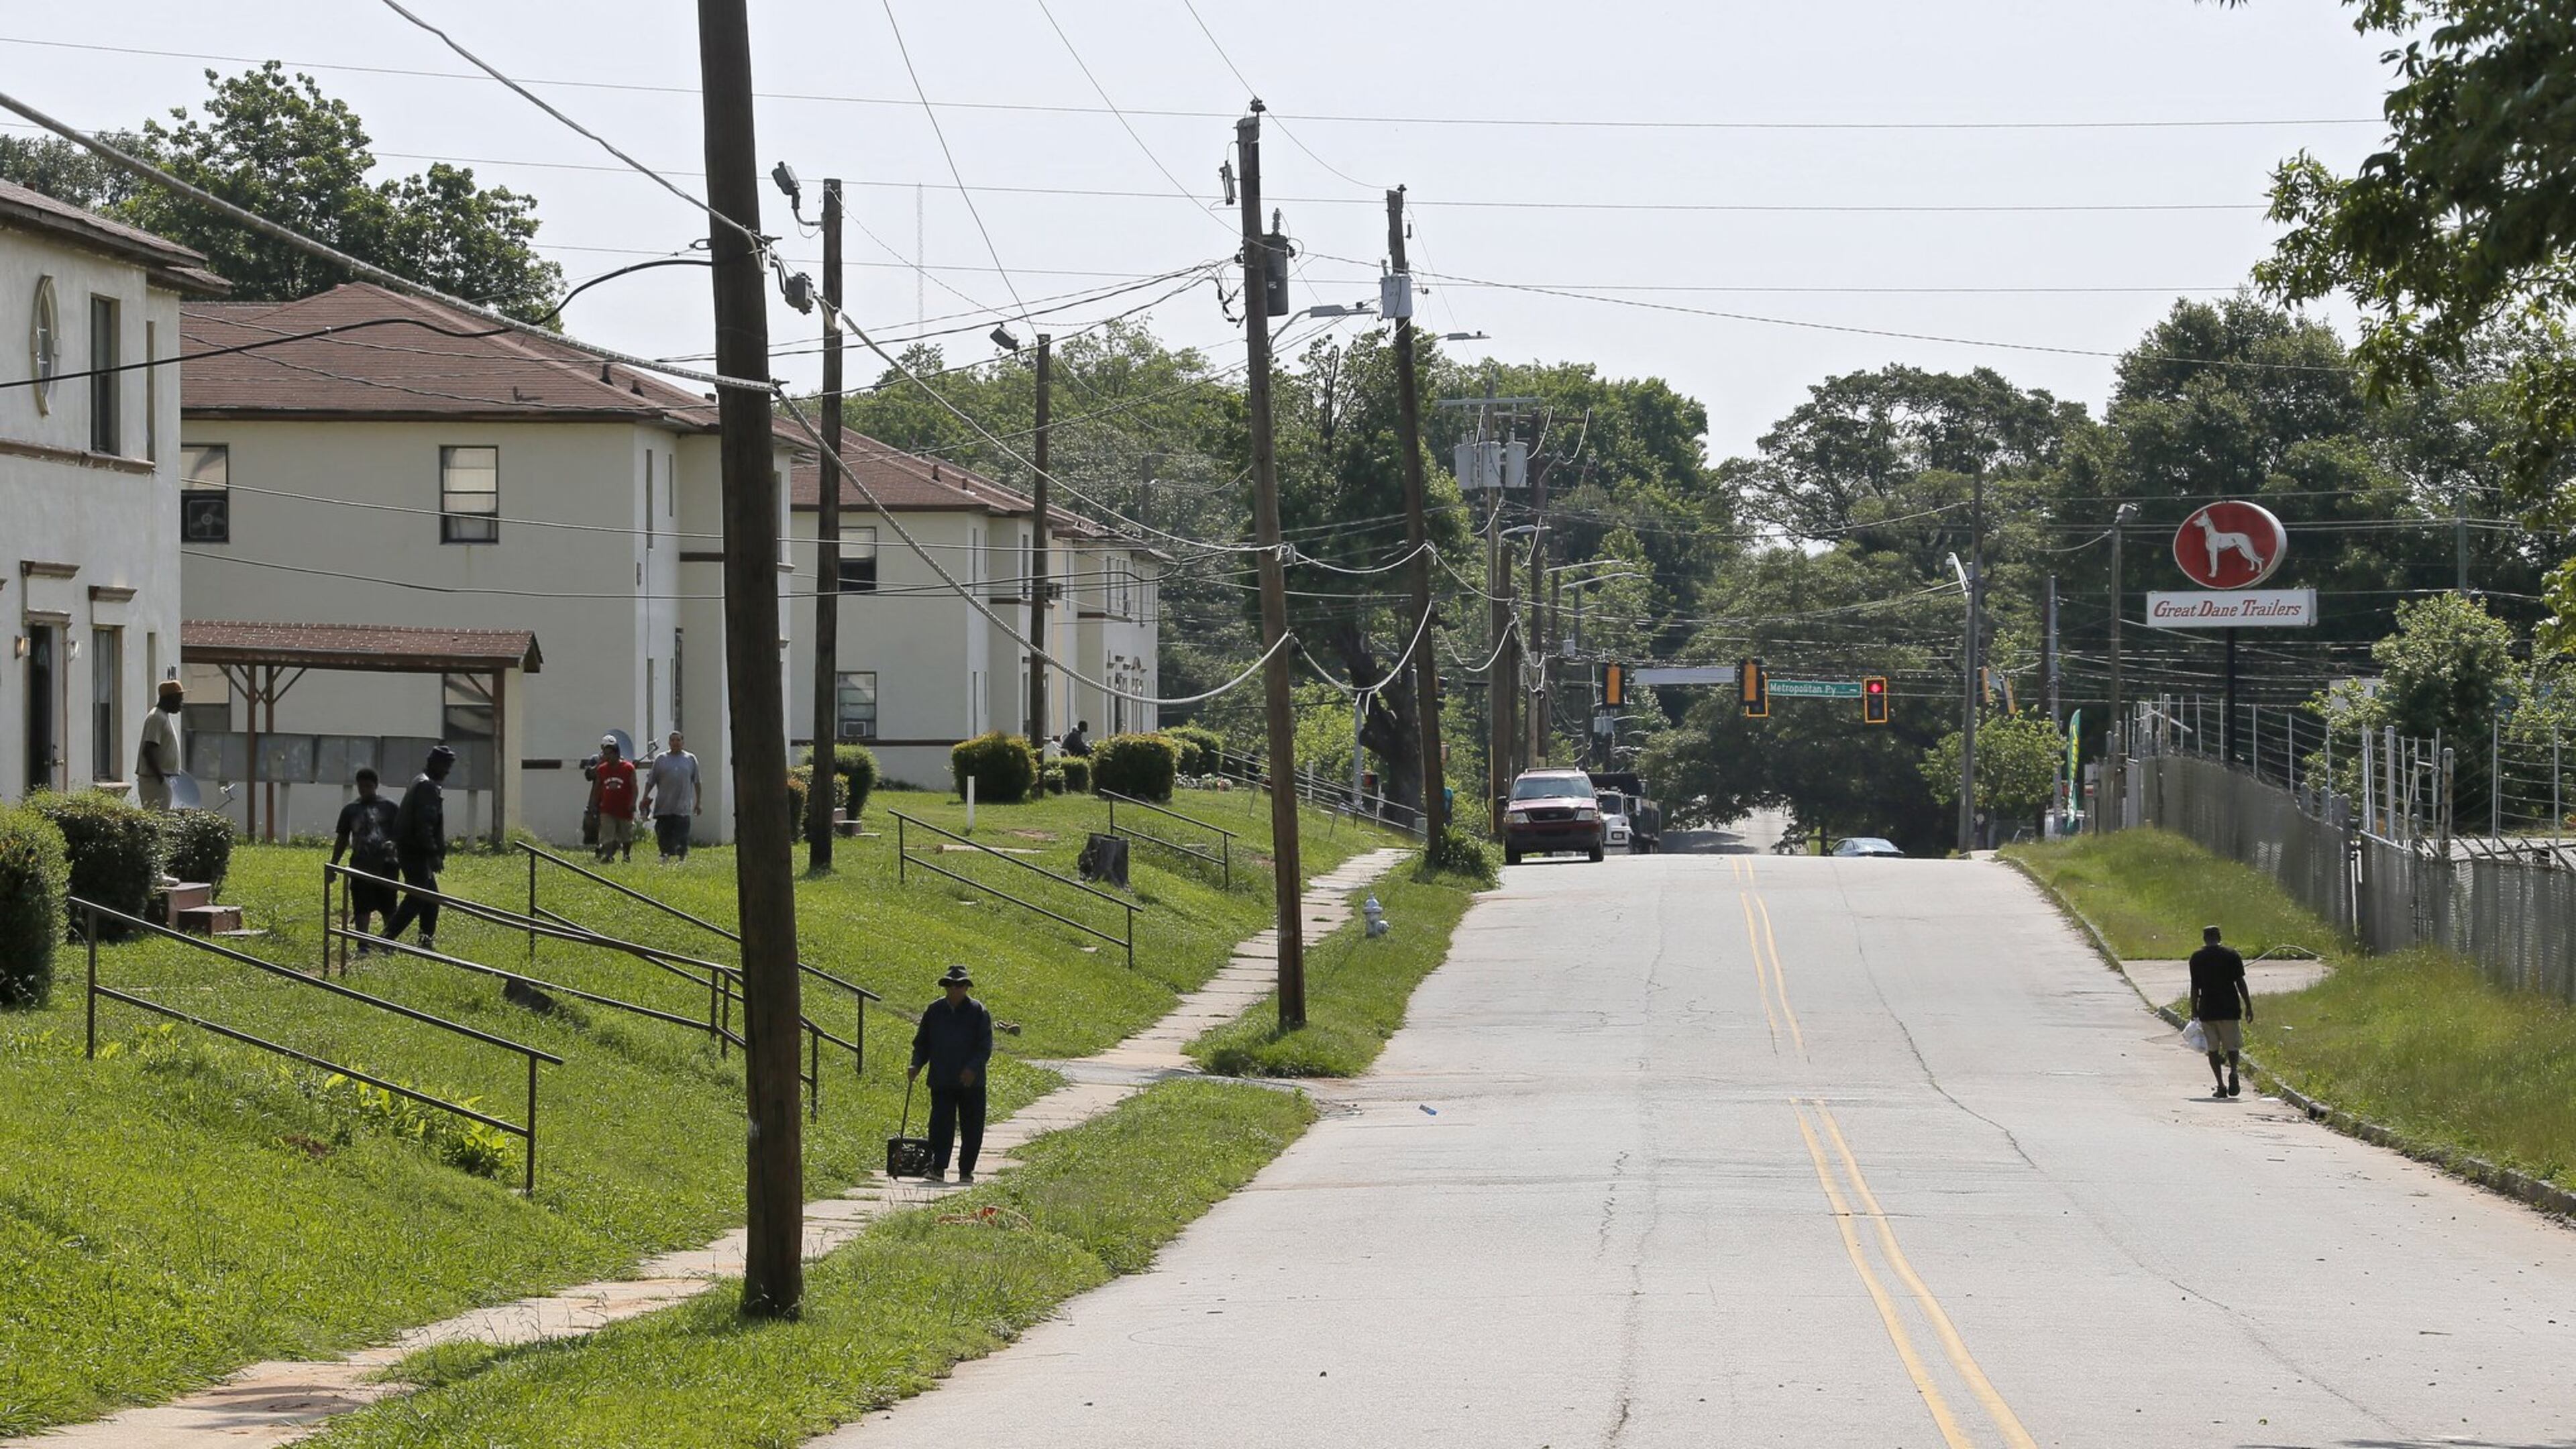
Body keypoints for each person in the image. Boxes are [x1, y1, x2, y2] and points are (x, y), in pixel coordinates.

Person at [908, 964, 994, 1184]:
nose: (955, 989)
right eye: (951, 985)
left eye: (960, 985)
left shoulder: (978, 1012)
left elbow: (984, 1046)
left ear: (966, 987)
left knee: (972, 1127)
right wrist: (916, 1065)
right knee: (940, 1126)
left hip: (971, 1083)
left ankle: (966, 1170)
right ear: (946, 987)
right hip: (942, 1078)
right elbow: (923, 1043)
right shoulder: (934, 1011)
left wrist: (972, 1069)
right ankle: (938, 1167)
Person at [380, 745, 454, 953]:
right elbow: (425, 824)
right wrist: (433, 854)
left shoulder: (419, 781)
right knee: (417, 897)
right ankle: (387, 938)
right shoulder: (427, 786)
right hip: (416, 851)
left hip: (410, 848)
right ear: (435, 764)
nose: (448, 771)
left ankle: (425, 941)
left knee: (432, 898)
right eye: (446, 766)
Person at [331, 767, 402, 950]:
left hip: (387, 865)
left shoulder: (390, 807)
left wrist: (394, 846)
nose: (365, 790)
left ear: (376, 786)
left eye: (369, 786)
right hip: (361, 865)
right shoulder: (351, 810)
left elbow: (402, 834)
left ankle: (389, 942)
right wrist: (334, 865)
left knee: (388, 905)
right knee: (362, 906)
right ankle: (363, 944)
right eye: (362, 787)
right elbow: (342, 839)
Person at [2189, 924, 2254, 1099]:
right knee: (2232, 1046)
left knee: (2213, 1049)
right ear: (2219, 937)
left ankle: (2220, 1085)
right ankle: (2233, 1071)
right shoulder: (2232, 955)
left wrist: (2193, 1009)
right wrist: (2248, 1005)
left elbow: (2195, 986)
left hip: (2208, 1010)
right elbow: (2240, 983)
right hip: (2230, 1008)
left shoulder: (2196, 958)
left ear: (2204, 939)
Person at [641, 731, 701, 863]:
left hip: (683, 807)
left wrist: (698, 802)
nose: (675, 742)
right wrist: (645, 797)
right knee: (663, 833)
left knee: (682, 834)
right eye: (673, 740)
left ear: (683, 742)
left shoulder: (690, 759)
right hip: (664, 806)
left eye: (678, 740)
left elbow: (697, 782)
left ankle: (682, 858)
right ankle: (664, 855)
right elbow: (651, 781)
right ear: (669, 743)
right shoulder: (661, 759)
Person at [136, 678, 185, 810]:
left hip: (160, 779)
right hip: (154, 780)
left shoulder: (162, 716)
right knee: (158, 820)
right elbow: (148, 751)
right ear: (171, 698)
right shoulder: (157, 717)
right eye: (180, 699)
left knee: (161, 820)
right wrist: (161, 779)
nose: (182, 703)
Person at [590, 735, 639, 863]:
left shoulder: (628, 768)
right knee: (607, 834)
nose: (607, 757)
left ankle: (626, 855)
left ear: (617, 754)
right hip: (607, 807)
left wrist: (633, 802)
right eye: (605, 754)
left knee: (626, 834)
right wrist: (594, 803)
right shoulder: (602, 769)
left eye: (609, 754)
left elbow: (634, 787)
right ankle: (609, 856)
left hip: (624, 807)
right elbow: (598, 787)